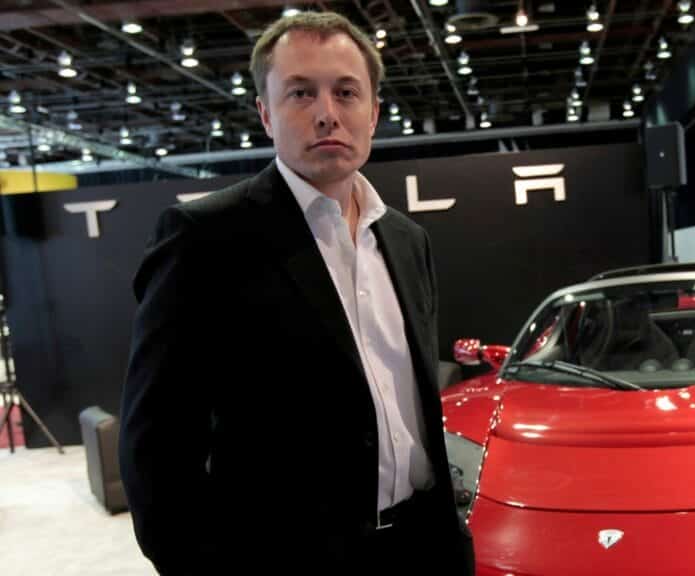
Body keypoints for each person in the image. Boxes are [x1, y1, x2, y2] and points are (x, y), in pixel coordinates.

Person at [119, 11, 474, 575]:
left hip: (420, 548)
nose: (327, 113)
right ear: (266, 113)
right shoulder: (205, 239)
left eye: (346, 92)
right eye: (301, 93)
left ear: (374, 112)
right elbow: (155, 443)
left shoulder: (407, 240)